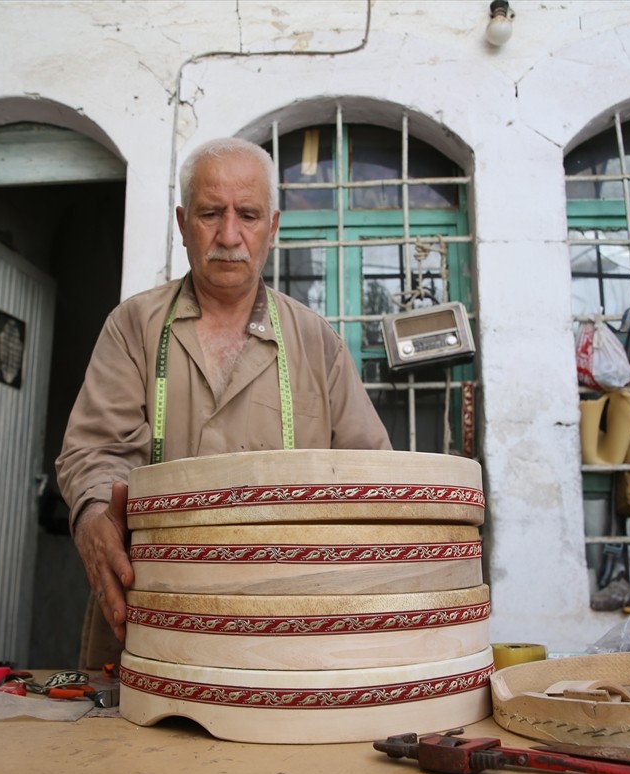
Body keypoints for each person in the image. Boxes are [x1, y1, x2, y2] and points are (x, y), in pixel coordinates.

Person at [55, 137, 391, 668]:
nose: (229, 235)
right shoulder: (133, 327)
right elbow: (94, 449)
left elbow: (369, 476)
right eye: (211, 214)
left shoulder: (316, 341)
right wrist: (95, 513)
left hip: (286, 621)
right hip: (150, 610)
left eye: (248, 215)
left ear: (273, 227)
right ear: (183, 222)